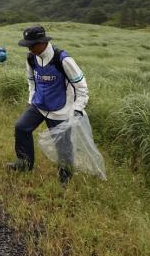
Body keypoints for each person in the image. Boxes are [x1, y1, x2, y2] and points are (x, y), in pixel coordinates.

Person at [8, 26, 89, 185]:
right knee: (21, 127)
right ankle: (24, 163)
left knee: (63, 147)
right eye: (28, 46)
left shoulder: (63, 59)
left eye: (32, 45)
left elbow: (82, 86)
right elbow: (31, 80)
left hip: (61, 109)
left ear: (42, 42)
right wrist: (32, 98)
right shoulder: (31, 57)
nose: (30, 48)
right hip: (39, 105)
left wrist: (78, 108)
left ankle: (64, 179)